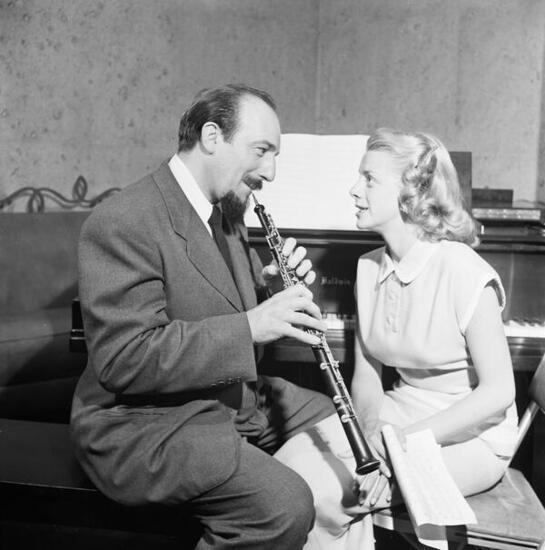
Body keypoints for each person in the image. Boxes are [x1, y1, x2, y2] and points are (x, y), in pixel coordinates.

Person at [70, 83, 337, 550]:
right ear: (212, 137)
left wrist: (271, 292)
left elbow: (221, 305)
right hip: (145, 423)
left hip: (224, 399)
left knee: (332, 421)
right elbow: (124, 360)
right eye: (262, 151)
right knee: (285, 504)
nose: (271, 172)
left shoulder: (225, 213)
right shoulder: (125, 220)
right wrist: (252, 325)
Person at [274, 127, 518, 549]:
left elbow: (499, 392)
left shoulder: (465, 272)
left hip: (472, 434)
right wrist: (368, 438)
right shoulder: (368, 267)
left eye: (369, 179)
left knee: (327, 496)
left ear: (411, 192)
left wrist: (399, 447)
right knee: (283, 471)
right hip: (396, 415)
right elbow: (368, 376)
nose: (354, 189)